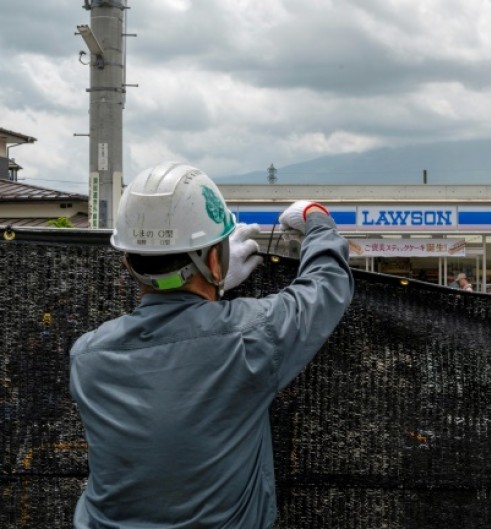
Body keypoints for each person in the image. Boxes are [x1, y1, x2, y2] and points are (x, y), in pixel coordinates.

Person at [68, 162, 354, 529]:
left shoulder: (87, 357)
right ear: (215, 258)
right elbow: (326, 286)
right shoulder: (250, 338)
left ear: (127, 260)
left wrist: (210, 287)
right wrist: (316, 219)